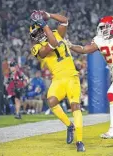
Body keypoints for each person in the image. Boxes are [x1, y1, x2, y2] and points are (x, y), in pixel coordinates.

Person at [29, 10, 85, 152]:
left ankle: (80, 141)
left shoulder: (56, 32)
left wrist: (49, 15)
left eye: (38, 31)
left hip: (71, 76)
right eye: (35, 34)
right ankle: (69, 125)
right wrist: (44, 25)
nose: (38, 36)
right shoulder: (37, 48)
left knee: (75, 106)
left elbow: (64, 20)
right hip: (58, 79)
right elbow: (53, 43)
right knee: (52, 101)